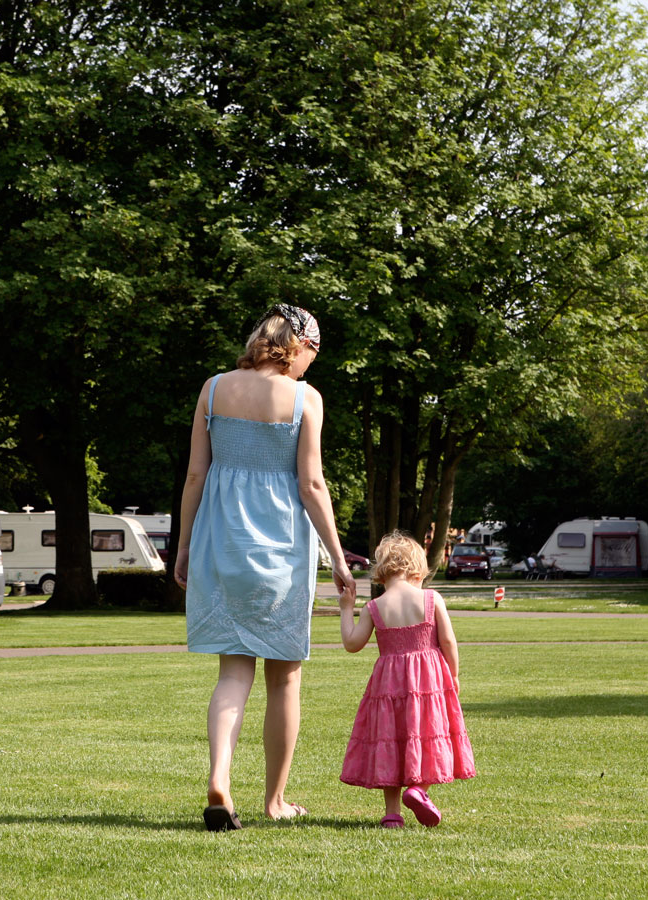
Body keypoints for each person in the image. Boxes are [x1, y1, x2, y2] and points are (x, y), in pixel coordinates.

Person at [174, 303, 358, 832]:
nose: (310, 367)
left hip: (220, 545)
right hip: (280, 549)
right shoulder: (305, 399)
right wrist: (339, 558)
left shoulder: (213, 389)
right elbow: (312, 485)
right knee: (285, 679)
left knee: (233, 672)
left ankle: (220, 779)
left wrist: (185, 546)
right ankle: (275, 800)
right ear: (300, 346)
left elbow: (194, 476)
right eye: (312, 355)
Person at [338, 531, 476, 828]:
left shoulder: (374, 608)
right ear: (417, 567)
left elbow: (352, 643)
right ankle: (419, 790)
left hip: (388, 684)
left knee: (391, 738)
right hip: (429, 681)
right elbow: (448, 641)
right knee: (425, 734)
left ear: (381, 570)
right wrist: (453, 674)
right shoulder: (431, 598)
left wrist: (346, 607)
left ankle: (392, 814)